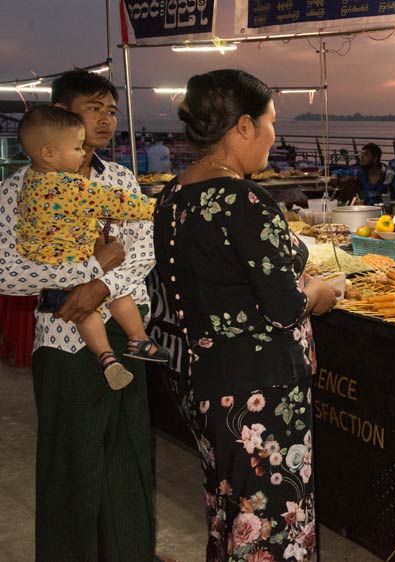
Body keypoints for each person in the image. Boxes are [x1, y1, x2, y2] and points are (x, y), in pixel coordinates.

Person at [153, 69, 338, 561]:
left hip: (205, 383)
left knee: (232, 514)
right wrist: (320, 289)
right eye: (271, 122)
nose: (275, 136)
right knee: (272, 526)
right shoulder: (244, 200)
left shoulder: (172, 196)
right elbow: (285, 308)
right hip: (260, 395)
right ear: (243, 127)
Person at [0, 69, 156, 561]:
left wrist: (101, 284)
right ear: (64, 115)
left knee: (128, 458)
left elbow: (143, 249)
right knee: (72, 464)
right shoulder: (19, 188)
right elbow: (7, 272)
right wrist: (92, 268)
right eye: (94, 108)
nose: (107, 119)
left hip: (125, 331)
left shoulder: (119, 179)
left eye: (112, 110)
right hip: (62, 337)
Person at [16, 105, 168, 390]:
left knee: (88, 312)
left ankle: (107, 358)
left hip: (49, 263)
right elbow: (118, 203)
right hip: (78, 256)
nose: (82, 153)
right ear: (49, 153)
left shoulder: (27, 183)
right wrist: (158, 208)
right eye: (75, 148)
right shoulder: (68, 186)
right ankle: (139, 339)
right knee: (117, 291)